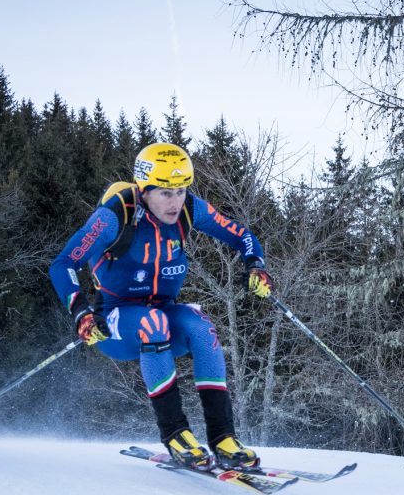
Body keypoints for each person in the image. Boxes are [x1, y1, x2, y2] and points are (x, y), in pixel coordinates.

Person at [49, 142, 272, 470]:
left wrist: (255, 264)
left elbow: (242, 235)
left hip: (161, 311)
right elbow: (63, 263)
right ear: (144, 189)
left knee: (202, 327)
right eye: (166, 193)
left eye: (181, 191)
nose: (176, 201)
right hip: (114, 321)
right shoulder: (114, 216)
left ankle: (223, 437)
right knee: (153, 323)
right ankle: (176, 434)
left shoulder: (189, 209)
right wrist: (81, 311)